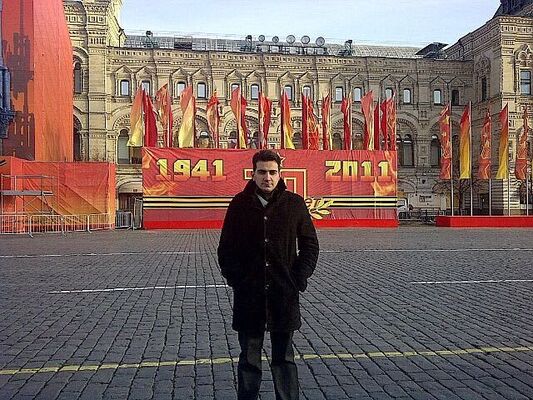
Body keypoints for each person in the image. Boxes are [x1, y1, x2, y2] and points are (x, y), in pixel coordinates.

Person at [218, 149, 319, 400]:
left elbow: (310, 245)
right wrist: (237, 280)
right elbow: (226, 248)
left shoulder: (294, 204)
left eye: (272, 172)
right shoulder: (239, 205)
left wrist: (298, 279)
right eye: (262, 172)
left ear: (280, 174)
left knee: (284, 359)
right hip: (249, 296)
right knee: (249, 360)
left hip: (284, 295)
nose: (267, 177)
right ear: (253, 174)